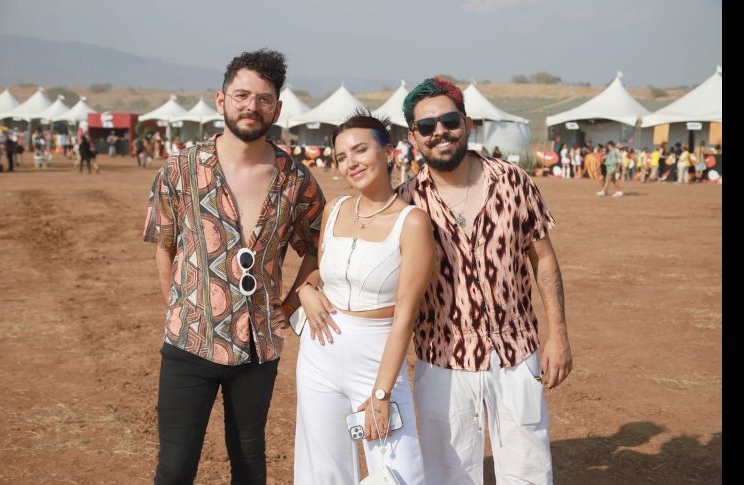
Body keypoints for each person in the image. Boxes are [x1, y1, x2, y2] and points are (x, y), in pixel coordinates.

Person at [143, 49, 325, 485]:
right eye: (242, 95)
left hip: (257, 351)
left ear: (277, 109)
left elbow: (319, 248)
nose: (252, 106)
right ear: (221, 100)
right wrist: (183, 308)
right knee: (174, 467)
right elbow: (165, 246)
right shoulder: (181, 170)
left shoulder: (295, 179)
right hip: (188, 345)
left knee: (249, 462)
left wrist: (290, 304)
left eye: (264, 99)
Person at [397, 76, 572, 484]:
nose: (439, 132)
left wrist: (558, 334)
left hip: (516, 354)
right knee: (448, 476)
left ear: (467, 123)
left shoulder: (513, 181)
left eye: (449, 121)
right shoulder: (405, 201)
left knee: (529, 473)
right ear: (414, 136)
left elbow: (543, 260)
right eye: (427, 126)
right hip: (442, 361)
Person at [294, 112, 434, 484]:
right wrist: (305, 291)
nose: (351, 162)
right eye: (342, 156)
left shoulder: (413, 222)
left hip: (377, 359)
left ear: (388, 152)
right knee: (325, 469)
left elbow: (406, 313)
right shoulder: (334, 209)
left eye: (360, 150)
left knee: (398, 471)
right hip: (318, 355)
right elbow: (321, 271)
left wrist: (382, 392)